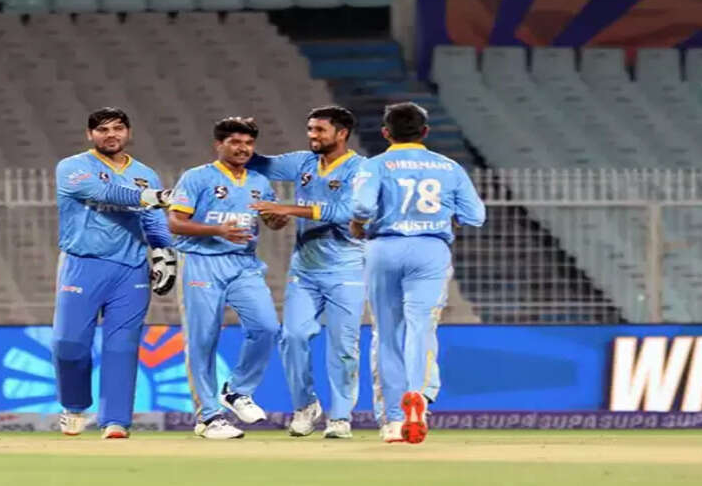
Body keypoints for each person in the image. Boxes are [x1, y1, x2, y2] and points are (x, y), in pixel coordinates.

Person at [350, 102, 485, 444]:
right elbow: (475, 216)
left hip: (384, 248)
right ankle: (419, 396)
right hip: (429, 249)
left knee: (386, 333)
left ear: (386, 133)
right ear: (425, 132)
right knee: (421, 328)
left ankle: (394, 420)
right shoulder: (448, 167)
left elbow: (362, 206)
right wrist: (447, 217)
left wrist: (358, 223)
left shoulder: (375, 165)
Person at [53, 107, 177, 439]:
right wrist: (151, 196)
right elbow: (103, 193)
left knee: (122, 346)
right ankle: (74, 406)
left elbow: (153, 218)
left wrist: (164, 252)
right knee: (68, 344)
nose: (111, 135)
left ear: (128, 132)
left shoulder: (145, 174)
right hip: (82, 264)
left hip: (131, 268)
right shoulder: (72, 167)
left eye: (118, 128)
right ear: (90, 134)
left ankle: (116, 420)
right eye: (103, 129)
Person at [245, 106, 364, 438]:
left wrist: (289, 208)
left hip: (347, 269)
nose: (312, 135)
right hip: (305, 270)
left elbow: (346, 211)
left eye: (320, 130)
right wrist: (249, 136)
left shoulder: (361, 169)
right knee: (292, 337)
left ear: (342, 133)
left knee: (343, 347)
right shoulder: (303, 162)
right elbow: (258, 163)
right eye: (310, 129)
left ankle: (340, 417)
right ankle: (305, 405)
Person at [168, 117, 289, 439]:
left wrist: (278, 220)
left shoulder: (258, 181)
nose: (243, 149)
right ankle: (209, 417)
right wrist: (217, 230)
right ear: (218, 145)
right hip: (201, 261)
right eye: (235, 142)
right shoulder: (197, 177)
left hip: (244, 263)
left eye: (248, 143)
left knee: (266, 327)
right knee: (203, 339)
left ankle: (237, 390)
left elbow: (270, 221)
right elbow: (175, 223)